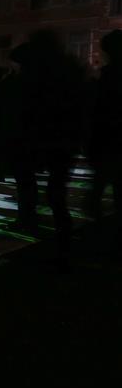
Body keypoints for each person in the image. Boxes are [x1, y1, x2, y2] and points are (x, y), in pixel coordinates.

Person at [2, 31, 85, 262]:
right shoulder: (69, 70)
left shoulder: (33, 76)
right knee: (55, 190)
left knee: (28, 182)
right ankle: (60, 229)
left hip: (35, 137)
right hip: (61, 139)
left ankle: (32, 221)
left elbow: (20, 108)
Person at [87, 29, 122, 245]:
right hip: (111, 142)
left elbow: (98, 111)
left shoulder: (107, 77)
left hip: (109, 142)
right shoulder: (107, 76)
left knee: (99, 192)